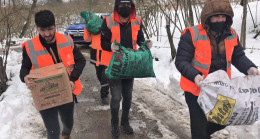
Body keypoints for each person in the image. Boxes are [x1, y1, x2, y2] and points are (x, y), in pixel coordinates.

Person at [175, 0, 260, 138]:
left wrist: (251, 68)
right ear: (207, 18)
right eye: (216, 16)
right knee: (199, 129)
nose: (220, 20)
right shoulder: (192, 34)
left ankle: (203, 133)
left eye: (223, 16)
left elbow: (238, 56)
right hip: (196, 90)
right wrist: (196, 76)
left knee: (224, 119)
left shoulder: (231, 34)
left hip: (220, 89)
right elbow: (181, 61)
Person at [20, 10, 86, 139]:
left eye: (50, 29)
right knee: (53, 132)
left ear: (55, 26)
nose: (47, 34)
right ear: (37, 28)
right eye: (42, 30)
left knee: (68, 124)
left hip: (67, 90)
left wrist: (72, 79)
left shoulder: (67, 40)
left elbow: (81, 60)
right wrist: (25, 77)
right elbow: (24, 68)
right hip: (45, 95)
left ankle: (66, 136)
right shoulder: (29, 46)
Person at [100, 0, 152, 138]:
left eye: (128, 5)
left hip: (130, 64)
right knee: (116, 97)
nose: (126, 7)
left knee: (128, 96)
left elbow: (139, 39)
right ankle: (114, 124)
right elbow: (103, 42)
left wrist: (145, 43)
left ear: (132, 6)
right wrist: (110, 46)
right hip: (115, 66)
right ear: (117, 7)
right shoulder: (108, 21)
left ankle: (124, 122)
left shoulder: (137, 20)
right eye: (122, 5)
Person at [83, 15, 110, 105]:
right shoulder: (94, 29)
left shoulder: (108, 29)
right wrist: (87, 28)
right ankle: (105, 86)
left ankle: (104, 95)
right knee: (99, 75)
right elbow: (87, 39)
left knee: (104, 76)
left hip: (106, 54)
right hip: (95, 56)